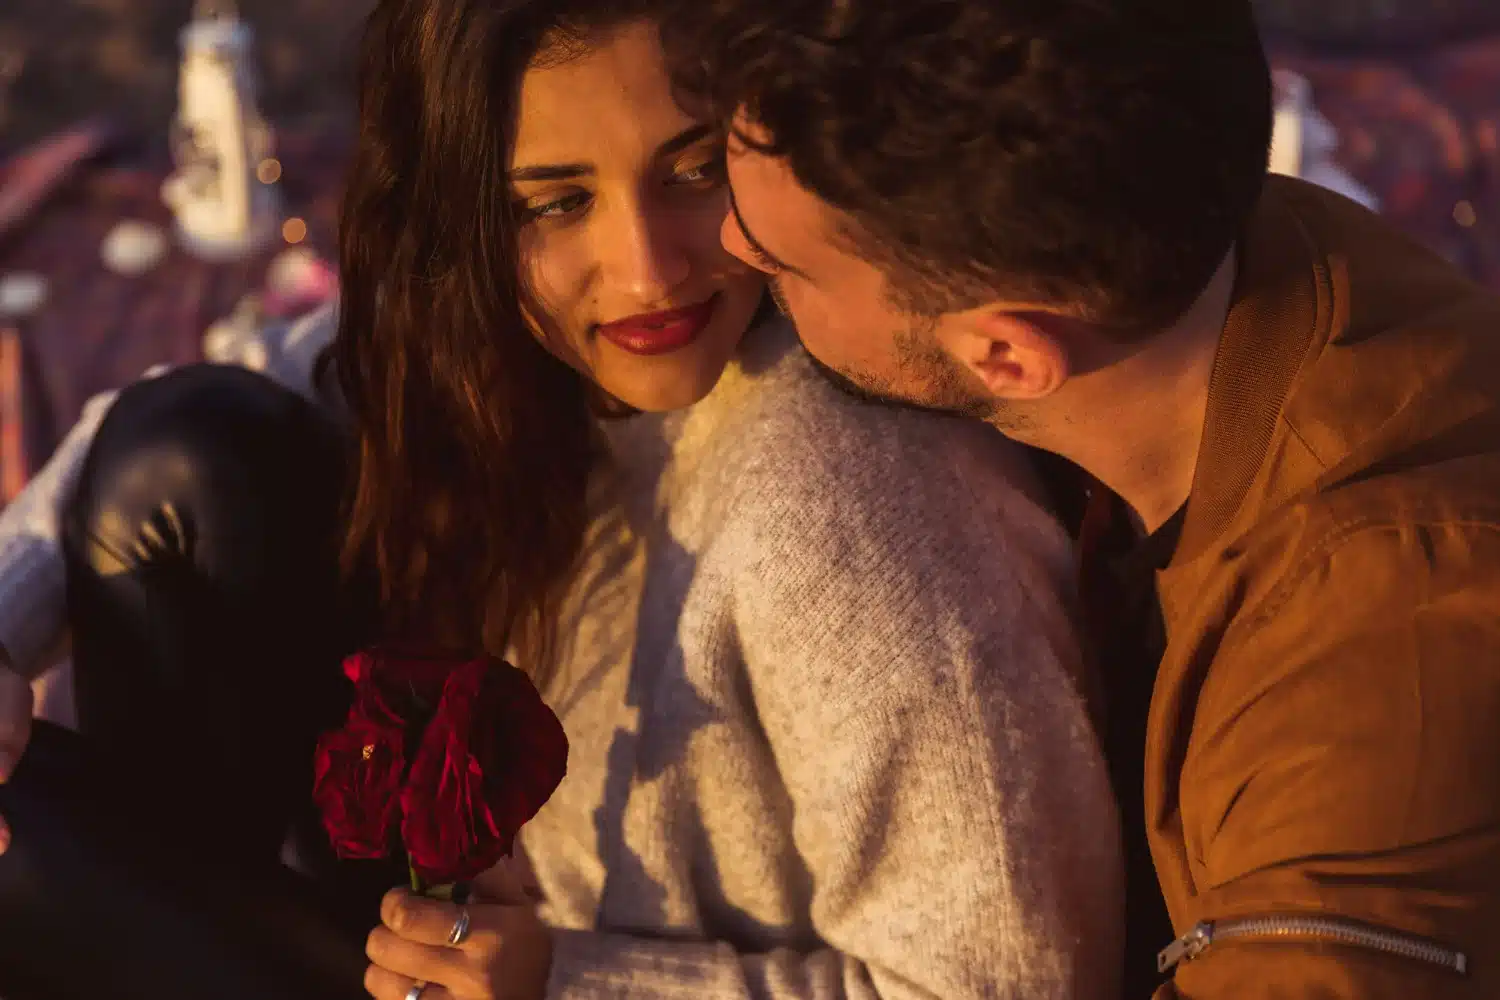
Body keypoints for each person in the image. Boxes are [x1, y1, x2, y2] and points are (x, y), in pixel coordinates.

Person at [0, 0, 1126, 997]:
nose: (646, 270)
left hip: (558, 969)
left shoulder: (851, 507)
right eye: (555, 201)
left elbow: (1004, 980)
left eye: (693, 171)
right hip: (442, 917)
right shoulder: (500, 338)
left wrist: (578, 983)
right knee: (184, 450)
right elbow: (217, 392)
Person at [654, 0, 1500, 997]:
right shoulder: (1194, 232)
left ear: (1008, 354)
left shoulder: (1376, 655)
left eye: (784, 260)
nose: (730, 252)